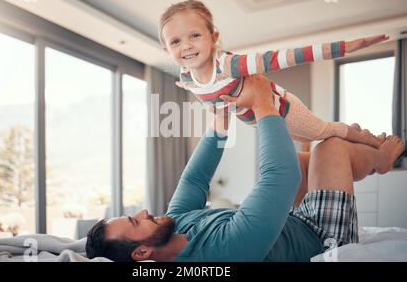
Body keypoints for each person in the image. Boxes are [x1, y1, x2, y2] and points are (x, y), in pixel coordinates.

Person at [85, 74, 405, 262]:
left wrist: (220, 123)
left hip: (294, 222)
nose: (142, 211)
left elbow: (195, 179)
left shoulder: (173, 222)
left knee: (299, 158)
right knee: (329, 148)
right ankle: (380, 161)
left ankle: (360, 153)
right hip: (323, 238)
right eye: (134, 221)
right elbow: (280, 179)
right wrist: (263, 103)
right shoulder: (220, 254)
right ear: (141, 253)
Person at [159, 0, 388, 148]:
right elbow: (198, 87)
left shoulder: (229, 65)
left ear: (213, 37)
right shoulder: (187, 76)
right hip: (261, 121)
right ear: (166, 49)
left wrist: (345, 47)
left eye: (195, 36)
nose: (186, 46)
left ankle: (367, 138)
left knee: (324, 132)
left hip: (284, 109)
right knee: (305, 138)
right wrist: (185, 85)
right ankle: (351, 132)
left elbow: (286, 57)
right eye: (176, 41)